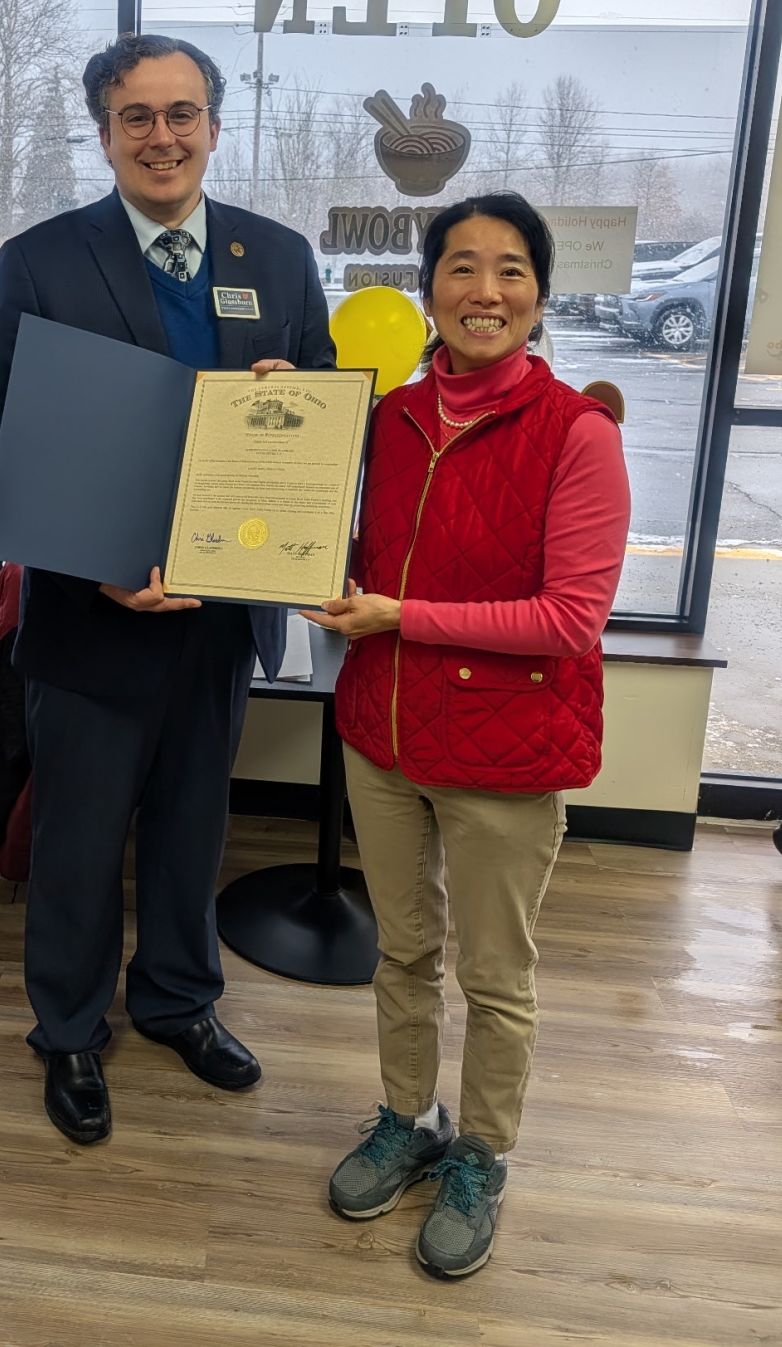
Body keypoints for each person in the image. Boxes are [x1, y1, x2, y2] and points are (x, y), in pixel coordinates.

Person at [0, 34, 335, 1144]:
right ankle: (70, 1031)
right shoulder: (39, 259)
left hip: (222, 612)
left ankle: (180, 999)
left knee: (191, 823)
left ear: (214, 127)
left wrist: (297, 403)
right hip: (95, 615)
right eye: (136, 116)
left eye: (181, 113)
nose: (161, 135)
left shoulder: (274, 256)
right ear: (104, 133)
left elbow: (326, 411)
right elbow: (3, 439)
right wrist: (100, 566)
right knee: (79, 838)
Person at [304, 192, 629, 1279]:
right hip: (381, 736)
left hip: (504, 752)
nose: (481, 291)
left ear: (538, 295)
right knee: (402, 949)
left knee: (495, 974)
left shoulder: (576, 431)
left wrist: (401, 614)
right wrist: (270, 423)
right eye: (457, 267)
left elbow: (567, 618)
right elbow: (332, 525)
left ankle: (481, 1151)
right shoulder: (387, 418)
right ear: (428, 286)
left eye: (507, 271)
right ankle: (407, 1116)